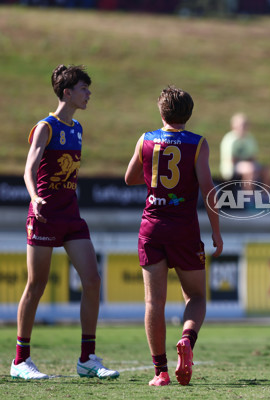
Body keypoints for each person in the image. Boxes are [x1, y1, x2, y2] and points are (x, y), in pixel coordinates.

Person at [12, 64, 119, 380]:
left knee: (93, 280)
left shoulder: (78, 128)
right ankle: (20, 361)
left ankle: (87, 358)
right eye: (84, 89)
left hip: (71, 215)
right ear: (67, 92)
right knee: (36, 284)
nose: (89, 94)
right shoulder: (46, 127)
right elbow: (28, 170)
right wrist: (34, 197)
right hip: (44, 215)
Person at [124, 85, 223, 386]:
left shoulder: (146, 139)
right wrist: (216, 234)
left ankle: (160, 372)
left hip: (152, 227)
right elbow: (208, 190)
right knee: (196, 296)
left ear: (161, 111)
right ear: (189, 114)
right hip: (184, 229)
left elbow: (129, 178)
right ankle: (187, 340)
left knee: (154, 302)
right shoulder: (198, 143)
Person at [219, 112, 270, 186]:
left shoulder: (250, 138)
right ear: (234, 126)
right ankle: (248, 196)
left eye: (245, 124)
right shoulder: (229, 139)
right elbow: (231, 160)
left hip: (247, 164)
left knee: (266, 170)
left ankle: (265, 195)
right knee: (250, 169)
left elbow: (253, 157)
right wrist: (246, 162)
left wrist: (249, 162)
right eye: (241, 125)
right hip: (231, 167)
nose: (243, 127)